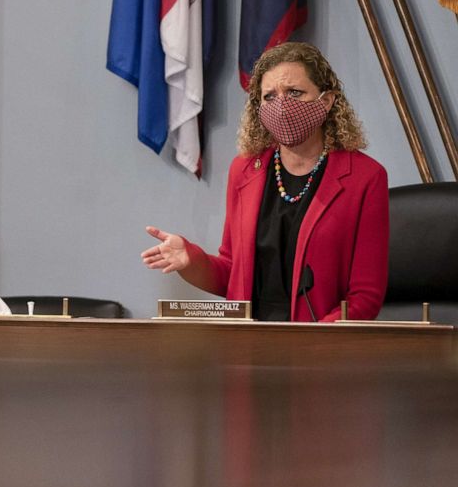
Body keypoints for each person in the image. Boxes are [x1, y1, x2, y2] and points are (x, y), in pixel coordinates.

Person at [141, 42, 388, 322]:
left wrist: (310, 343)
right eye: (269, 97)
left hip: (321, 351)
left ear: (327, 100)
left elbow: (365, 297)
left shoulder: (366, 178)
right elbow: (232, 276)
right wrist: (191, 260)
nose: (282, 105)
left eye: (294, 92)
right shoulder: (245, 170)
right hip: (249, 348)